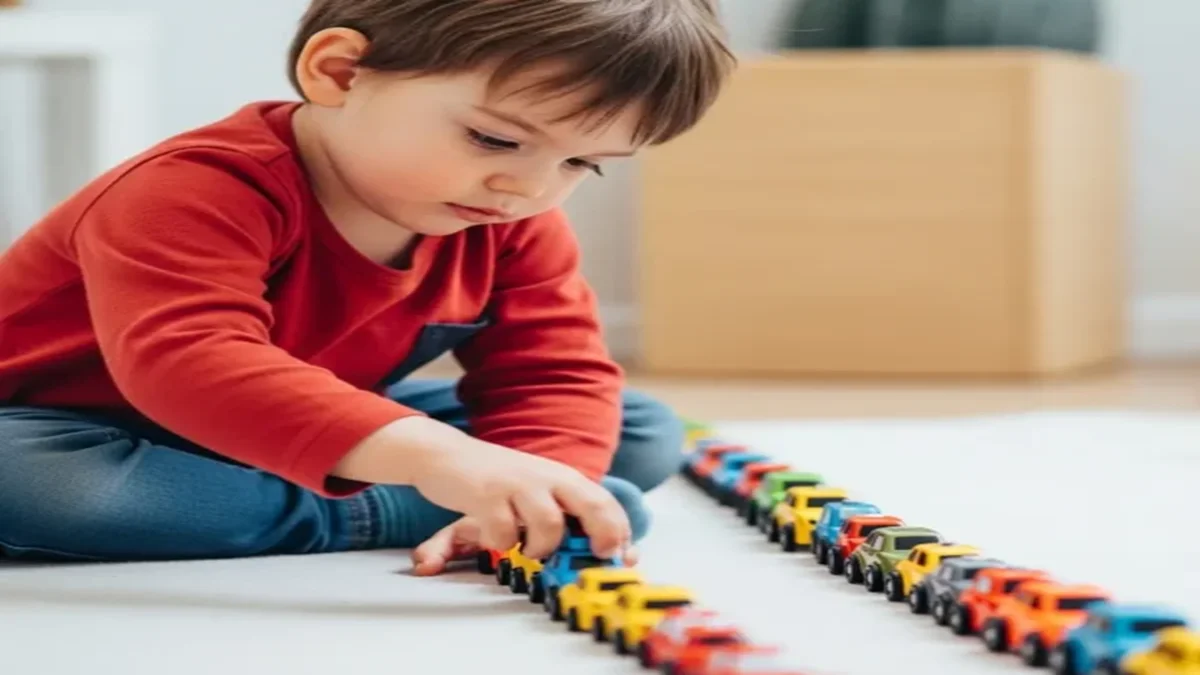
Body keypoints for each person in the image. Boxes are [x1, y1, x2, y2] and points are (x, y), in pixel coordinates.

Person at [0, 0, 735, 573]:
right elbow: (189, 364)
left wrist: (543, 494)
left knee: (633, 433)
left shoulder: (507, 218)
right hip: (73, 425)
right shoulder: (193, 189)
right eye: (496, 139)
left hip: (293, 429)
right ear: (342, 73)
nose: (530, 186)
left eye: (585, 164)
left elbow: (552, 369)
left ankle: (372, 498)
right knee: (35, 484)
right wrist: (442, 463)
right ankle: (374, 512)